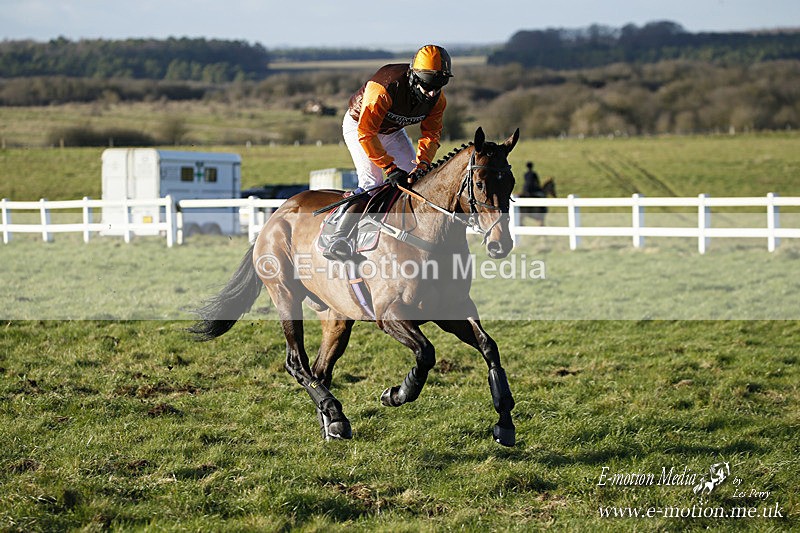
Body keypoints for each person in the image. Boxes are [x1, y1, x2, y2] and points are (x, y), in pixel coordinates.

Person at [323, 44, 453, 262]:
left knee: (417, 182)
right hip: (360, 126)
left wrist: (422, 165)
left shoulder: (437, 100)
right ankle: (339, 239)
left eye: (438, 87)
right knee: (372, 182)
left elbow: (431, 136)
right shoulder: (384, 87)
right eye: (427, 87)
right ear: (414, 77)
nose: (431, 94)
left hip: (392, 131)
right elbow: (366, 132)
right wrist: (390, 168)